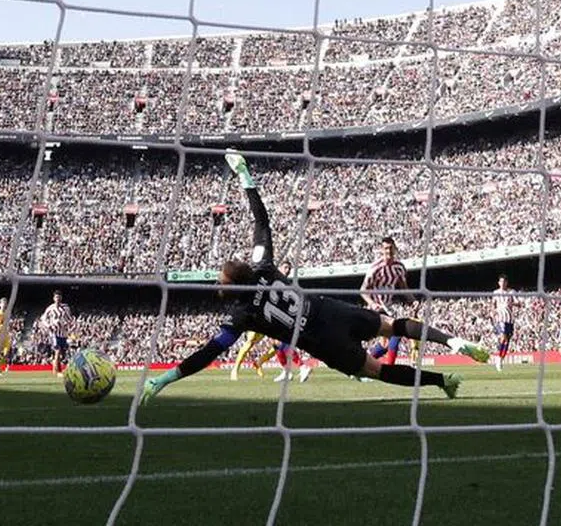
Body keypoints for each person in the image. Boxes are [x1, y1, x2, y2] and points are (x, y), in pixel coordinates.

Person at [142, 151, 488, 403]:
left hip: (322, 342)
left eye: (220, 282)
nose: (218, 283)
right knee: (393, 325)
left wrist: (167, 378)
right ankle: (453, 342)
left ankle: (444, 380)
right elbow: (262, 223)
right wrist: (244, 175)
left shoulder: (241, 315)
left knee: (377, 370)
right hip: (330, 310)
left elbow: (208, 352)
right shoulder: (262, 266)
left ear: (230, 292)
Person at [361, 236, 421, 367]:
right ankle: (390, 369)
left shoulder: (399, 268)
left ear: (395, 249)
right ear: (381, 250)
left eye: (391, 248)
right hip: (377, 308)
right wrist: (372, 304)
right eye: (386, 248)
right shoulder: (374, 268)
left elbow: (404, 289)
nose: (388, 251)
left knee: (385, 344)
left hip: (389, 307)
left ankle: (360, 364)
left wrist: (413, 301)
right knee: (396, 333)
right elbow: (363, 290)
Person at [40, 290, 75, 377]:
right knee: (57, 351)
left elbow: (70, 319)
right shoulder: (50, 308)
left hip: (63, 333)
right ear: (53, 298)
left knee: (62, 353)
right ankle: (59, 371)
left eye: (59, 297)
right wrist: (49, 325)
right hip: (54, 333)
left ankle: (54, 369)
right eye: (56, 297)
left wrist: (68, 324)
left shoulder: (66, 308)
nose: (57, 299)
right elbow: (43, 318)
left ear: (61, 298)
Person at [492, 274, 519, 372]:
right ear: (498, 283)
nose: (502, 284)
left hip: (509, 319)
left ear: (506, 283)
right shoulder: (495, 293)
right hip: (500, 319)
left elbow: (519, 303)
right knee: (503, 337)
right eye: (501, 282)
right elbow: (493, 305)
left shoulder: (511, 292)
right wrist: (493, 312)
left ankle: (500, 359)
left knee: (507, 340)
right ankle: (498, 358)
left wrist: (511, 303)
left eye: (504, 282)